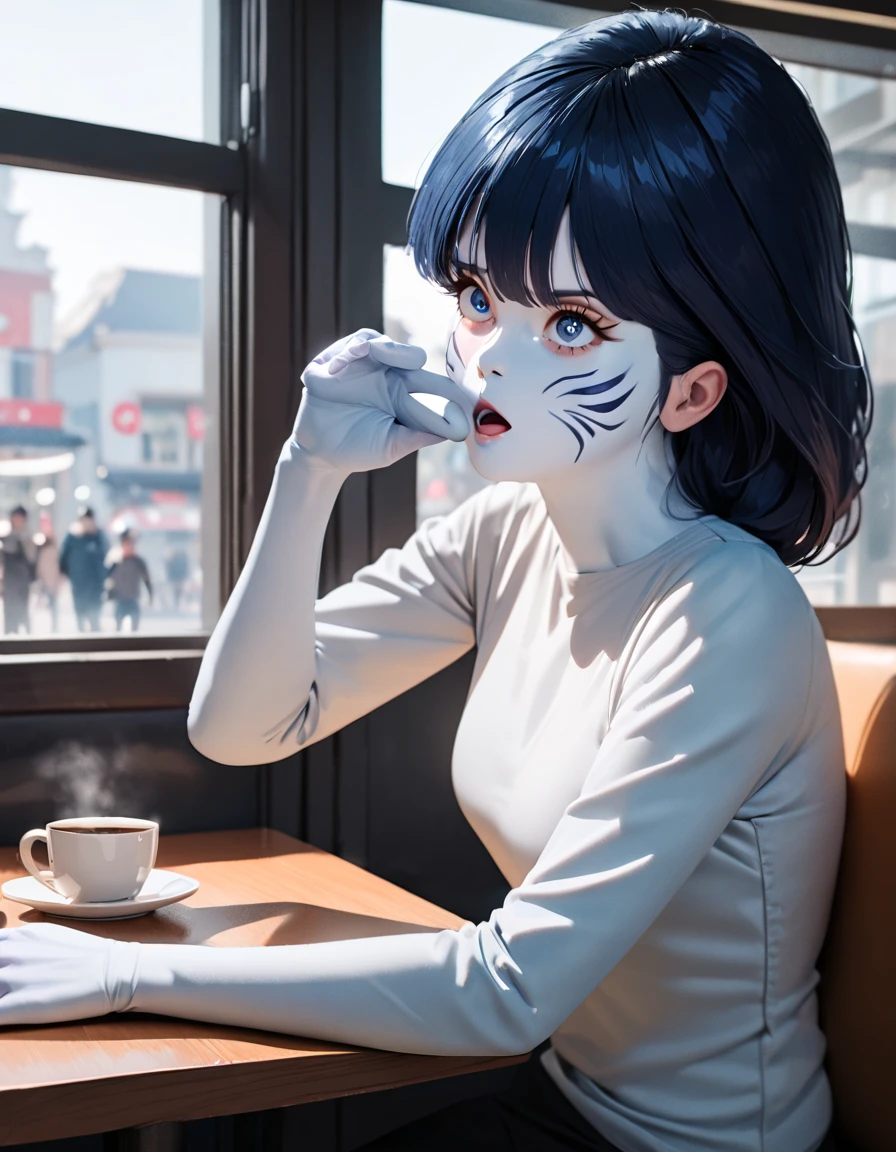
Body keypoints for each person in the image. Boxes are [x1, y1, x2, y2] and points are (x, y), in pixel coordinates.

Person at [0, 13, 868, 1152]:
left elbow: (505, 987)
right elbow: (243, 727)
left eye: (568, 324)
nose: (492, 357)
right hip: (562, 1099)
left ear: (692, 391)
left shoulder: (728, 613)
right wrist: (305, 470)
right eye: (474, 297)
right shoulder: (506, 533)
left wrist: (123, 979)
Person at [59, 507, 109, 632]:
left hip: (95, 588)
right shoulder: (72, 537)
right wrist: (63, 574)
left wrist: (105, 578)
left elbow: (107, 559)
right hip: (78, 586)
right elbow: (63, 558)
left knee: (94, 619)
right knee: (80, 620)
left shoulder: (99, 537)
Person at [106, 529, 152, 632]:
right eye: (127, 543)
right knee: (117, 628)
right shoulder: (115, 561)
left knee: (134, 629)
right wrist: (108, 593)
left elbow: (146, 579)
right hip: (119, 600)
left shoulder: (138, 561)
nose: (130, 546)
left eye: (132, 543)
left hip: (133, 599)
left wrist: (150, 595)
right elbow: (107, 579)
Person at [0, 505, 36, 634]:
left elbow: (33, 559)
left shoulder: (28, 538)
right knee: (9, 615)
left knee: (22, 613)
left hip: (23, 582)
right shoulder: (5, 538)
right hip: (9, 582)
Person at [35, 530, 61, 633]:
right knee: (51, 611)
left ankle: (51, 630)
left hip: (47, 585)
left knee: (49, 610)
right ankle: (52, 630)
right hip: (49, 585)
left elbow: (41, 569)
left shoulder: (45, 552)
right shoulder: (52, 552)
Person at [164, 545, 189, 611]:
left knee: (177, 591)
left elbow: (169, 568)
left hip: (178, 577)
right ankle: (177, 603)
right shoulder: (175, 560)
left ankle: (178, 603)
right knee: (176, 591)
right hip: (176, 577)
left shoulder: (177, 560)